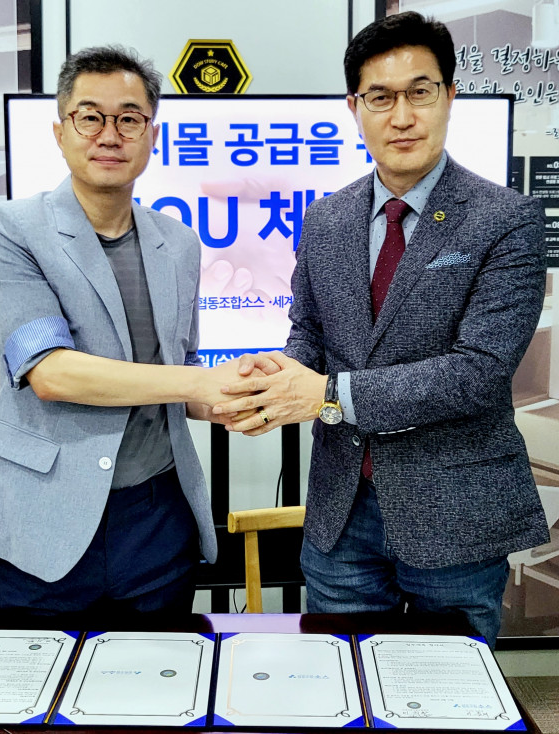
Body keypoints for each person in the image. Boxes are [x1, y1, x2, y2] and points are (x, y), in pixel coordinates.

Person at [215, 11, 550, 645]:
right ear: (355, 107)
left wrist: (326, 395)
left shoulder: (506, 219)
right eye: (380, 97)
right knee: (337, 675)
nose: (402, 116)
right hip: (342, 512)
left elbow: (478, 371)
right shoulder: (326, 218)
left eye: (420, 92)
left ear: (449, 97)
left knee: (447, 685)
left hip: (455, 511)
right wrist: (274, 384)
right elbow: (308, 333)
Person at [0, 45, 252, 617]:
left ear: (152, 135)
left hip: (157, 517)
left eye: (129, 119)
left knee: (163, 670)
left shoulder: (179, 243)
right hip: (44, 513)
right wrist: (199, 383)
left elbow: (183, 372)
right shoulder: (12, 229)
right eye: (90, 117)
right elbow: (51, 373)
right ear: (60, 132)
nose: (110, 135)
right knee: (47, 674)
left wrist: (234, 398)